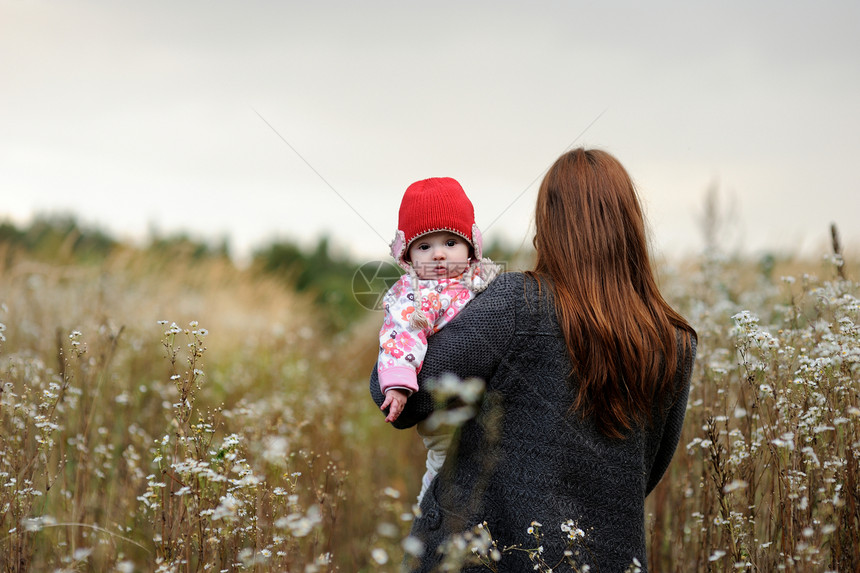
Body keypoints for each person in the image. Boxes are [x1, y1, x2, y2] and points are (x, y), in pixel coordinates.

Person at [370, 148, 697, 572]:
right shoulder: (676, 342)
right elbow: (643, 475)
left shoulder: (516, 303)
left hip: (484, 558)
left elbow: (401, 403)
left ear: (548, 225)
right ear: (632, 225)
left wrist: (405, 333)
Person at [377, 176, 500, 504]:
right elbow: (401, 338)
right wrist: (398, 385)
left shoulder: (482, 280)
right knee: (445, 467)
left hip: (478, 396)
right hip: (441, 406)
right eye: (425, 246)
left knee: (485, 466)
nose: (439, 256)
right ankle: (429, 515)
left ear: (472, 245)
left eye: (450, 243)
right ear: (407, 256)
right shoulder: (414, 296)